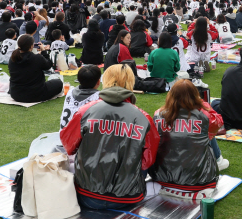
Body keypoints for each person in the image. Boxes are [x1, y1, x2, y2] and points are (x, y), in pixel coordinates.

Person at [60, 64, 159, 210]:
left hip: (87, 195)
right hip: (128, 197)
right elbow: (147, 161)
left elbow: (68, 146)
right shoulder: (143, 117)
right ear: (130, 82)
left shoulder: (86, 110)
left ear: (105, 80)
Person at [150, 80, 227, 193]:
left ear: (171, 95)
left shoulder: (158, 114)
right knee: (206, 132)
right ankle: (219, 159)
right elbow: (218, 124)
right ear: (195, 95)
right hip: (199, 180)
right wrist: (203, 104)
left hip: (161, 177)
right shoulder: (204, 116)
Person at [8, 34, 63, 103]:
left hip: (16, 94)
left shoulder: (13, 58)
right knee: (58, 83)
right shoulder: (37, 58)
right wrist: (43, 52)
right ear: (31, 46)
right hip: (35, 94)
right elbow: (48, 65)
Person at [59, 65, 101, 130]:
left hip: (63, 135)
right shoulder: (99, 97)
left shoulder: (70, 92)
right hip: (80, 138)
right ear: (98, 82)